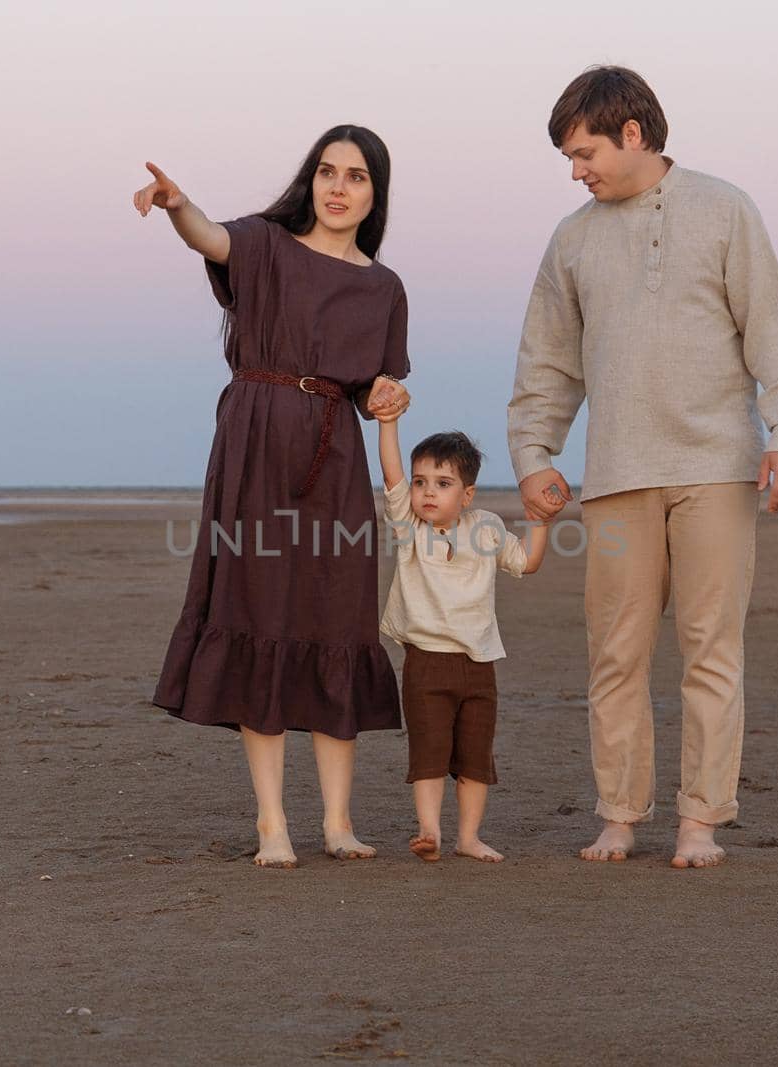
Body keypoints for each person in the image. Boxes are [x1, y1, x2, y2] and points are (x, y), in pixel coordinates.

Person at [507, 66, 778, 868]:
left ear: (633, 134)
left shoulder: (725, 209)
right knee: (616, 651)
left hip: (718, 466)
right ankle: (619, 812)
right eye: (571, 160)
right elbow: (547, 362)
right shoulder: (570, 239)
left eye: (584, 153)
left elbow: (774, 329)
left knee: (712, 646)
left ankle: (700, 822)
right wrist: (536, 453)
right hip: (614, 476)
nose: (577, 172)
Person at [134, 125, 413, 869]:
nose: (337, 186)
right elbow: (210, 239)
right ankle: (271, 823)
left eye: (356, 176)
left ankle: (339, 821)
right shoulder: (265, 243)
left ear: (374, 193)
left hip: (334, 458)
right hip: (256, 440)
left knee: (335, 615)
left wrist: (388, 392)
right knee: (259, 611)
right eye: (327, 171)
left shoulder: (383, 288)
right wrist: (176, 204)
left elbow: (376, 387)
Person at [376, 422, 552, 863]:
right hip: (426, 664)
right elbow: (392, 474)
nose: (427, 493)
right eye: (421, 483)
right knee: (430, 754)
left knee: (475, 760)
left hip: (479, 665)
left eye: (442, 483)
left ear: (467, 495)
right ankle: (430, 831)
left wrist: (541, 521)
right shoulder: (408, 527)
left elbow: (526, 563)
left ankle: (469, 837)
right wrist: (387, 423)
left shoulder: (487, 527)